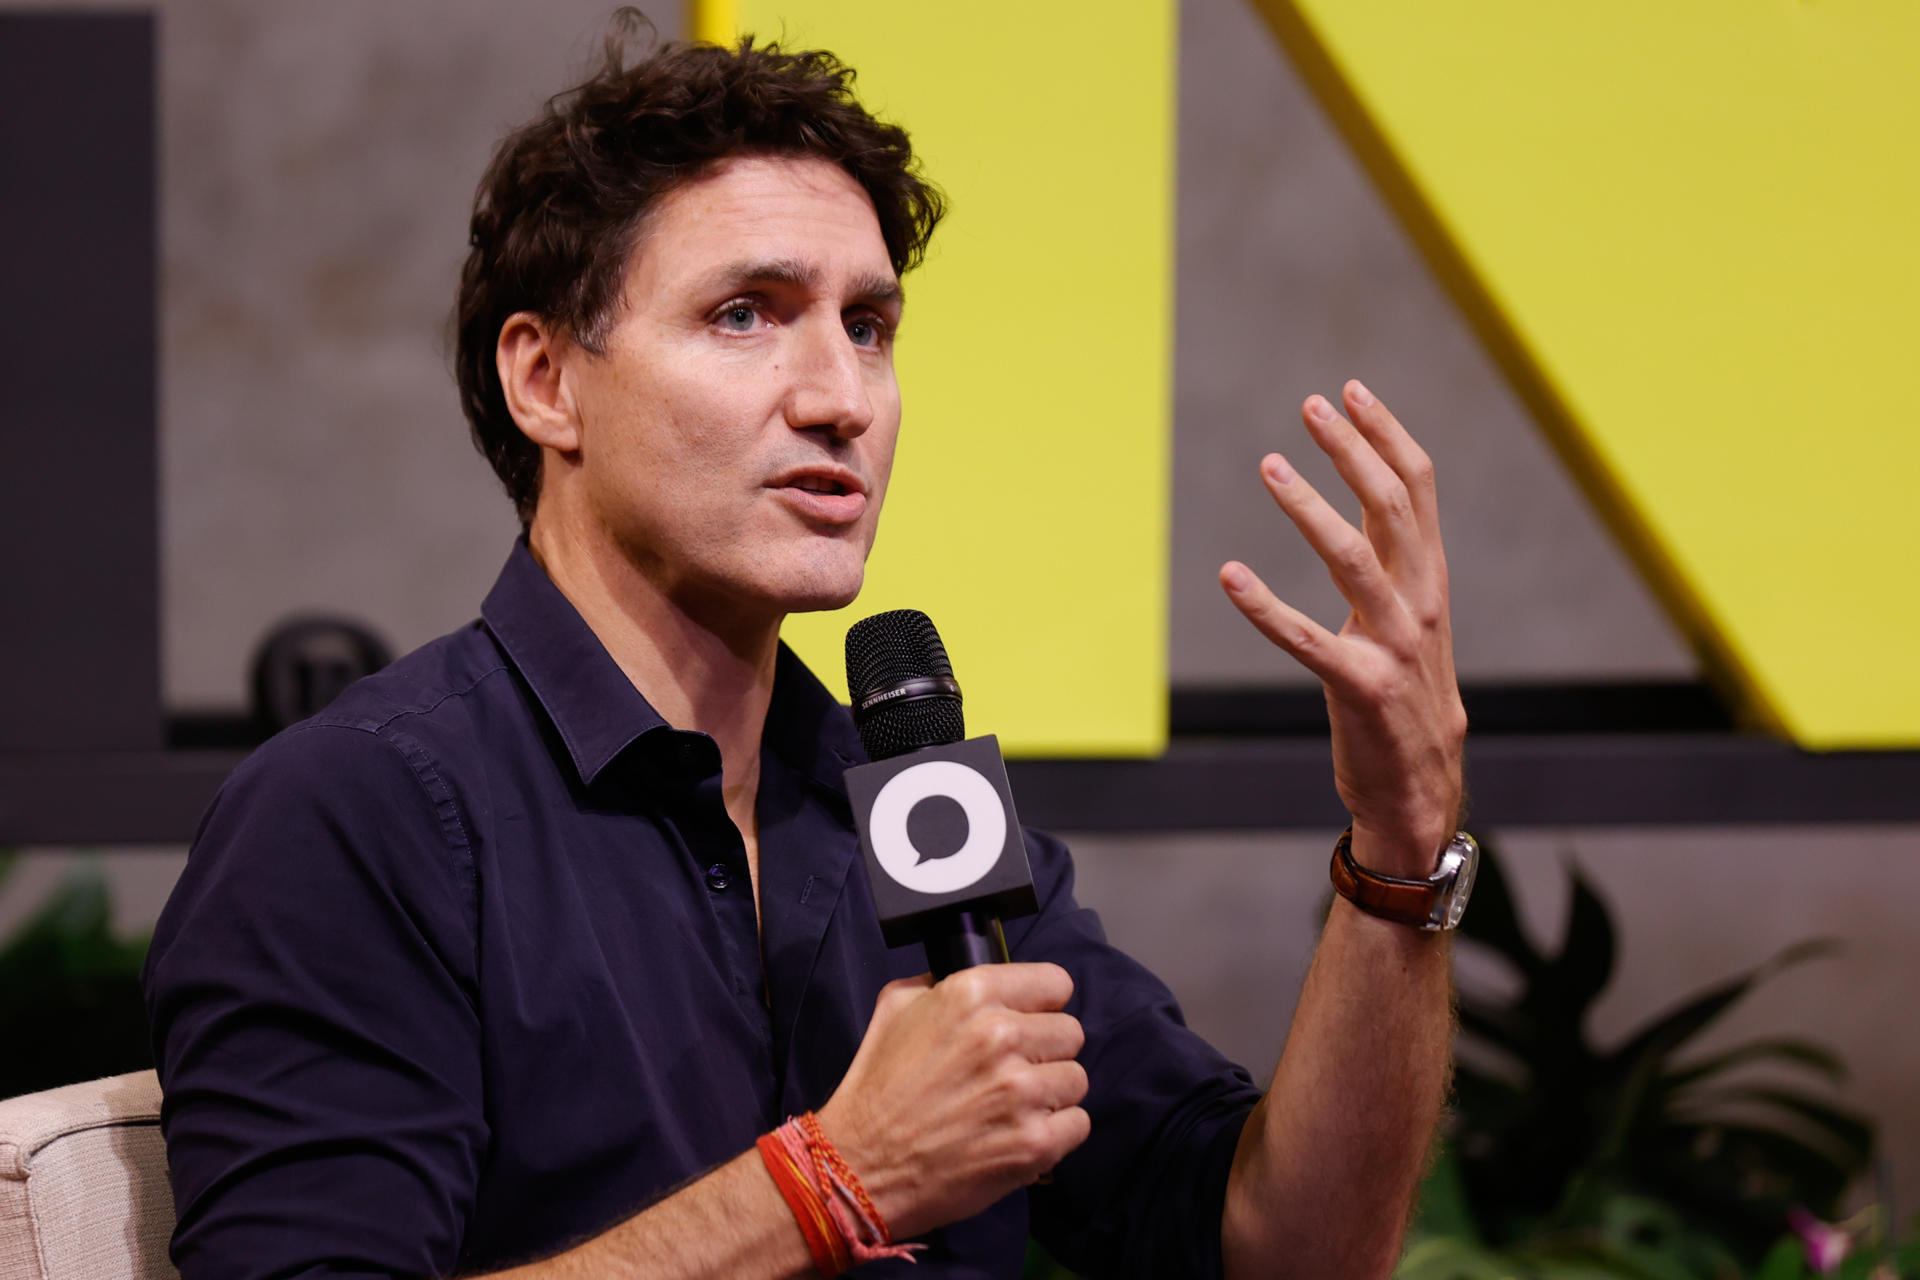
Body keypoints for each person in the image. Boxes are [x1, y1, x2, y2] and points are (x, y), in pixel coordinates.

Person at [144, 19, 1466, 1280]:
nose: (840, 398)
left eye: (868, 326)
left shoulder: (909, 807)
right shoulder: (360, 813)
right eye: (746, 313)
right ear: (547, 382)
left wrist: (1398, 859)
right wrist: (836, 1180)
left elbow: (1285, 1249)